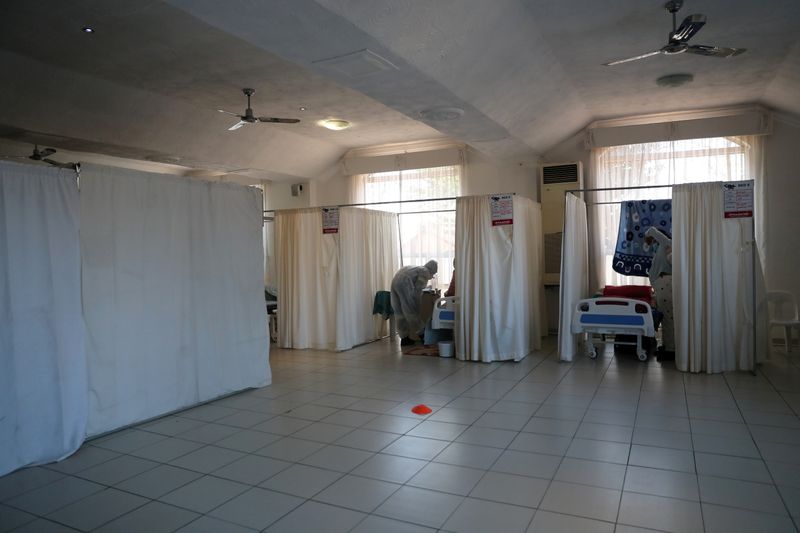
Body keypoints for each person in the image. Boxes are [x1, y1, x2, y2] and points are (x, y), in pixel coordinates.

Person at [390, 260, 438, 346]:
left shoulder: (415, 268)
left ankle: (404, 338)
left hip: (395, 281)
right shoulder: (425, 271)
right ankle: (423, 336)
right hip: (404, 282)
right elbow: (418, 291)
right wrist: (417, 307)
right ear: (432, 271)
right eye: (433, 275)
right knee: (411, 312)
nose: (431, 277)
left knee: (399, 312)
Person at [644, 227, 674, 357]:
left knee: (668, 319)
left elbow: (651, 231)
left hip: (665, 285)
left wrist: (649, 235)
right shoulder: (661, 249)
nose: (651, 243)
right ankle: (667, 346)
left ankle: (671, 350)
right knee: (666, 318)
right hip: (662, 286)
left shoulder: (667, 244)